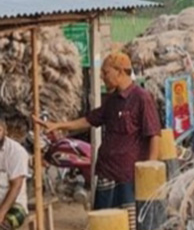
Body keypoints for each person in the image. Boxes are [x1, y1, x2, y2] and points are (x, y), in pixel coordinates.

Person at [42, 52, 162, 210]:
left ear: (119, 72)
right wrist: (58, 125)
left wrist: (149, 170)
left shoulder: (141, 98)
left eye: (105, 73)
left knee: (126, 227)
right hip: (106, 172)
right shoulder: (111, 101)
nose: (102, 77)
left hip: (128, 177)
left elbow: (154, 135)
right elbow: (88, 120)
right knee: (103, 225)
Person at [0, 118, 31, 230]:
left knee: (5, 225)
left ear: (5, 131)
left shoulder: (16, 152)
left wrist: (1, 214)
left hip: (14, 203)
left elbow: (15, 187)